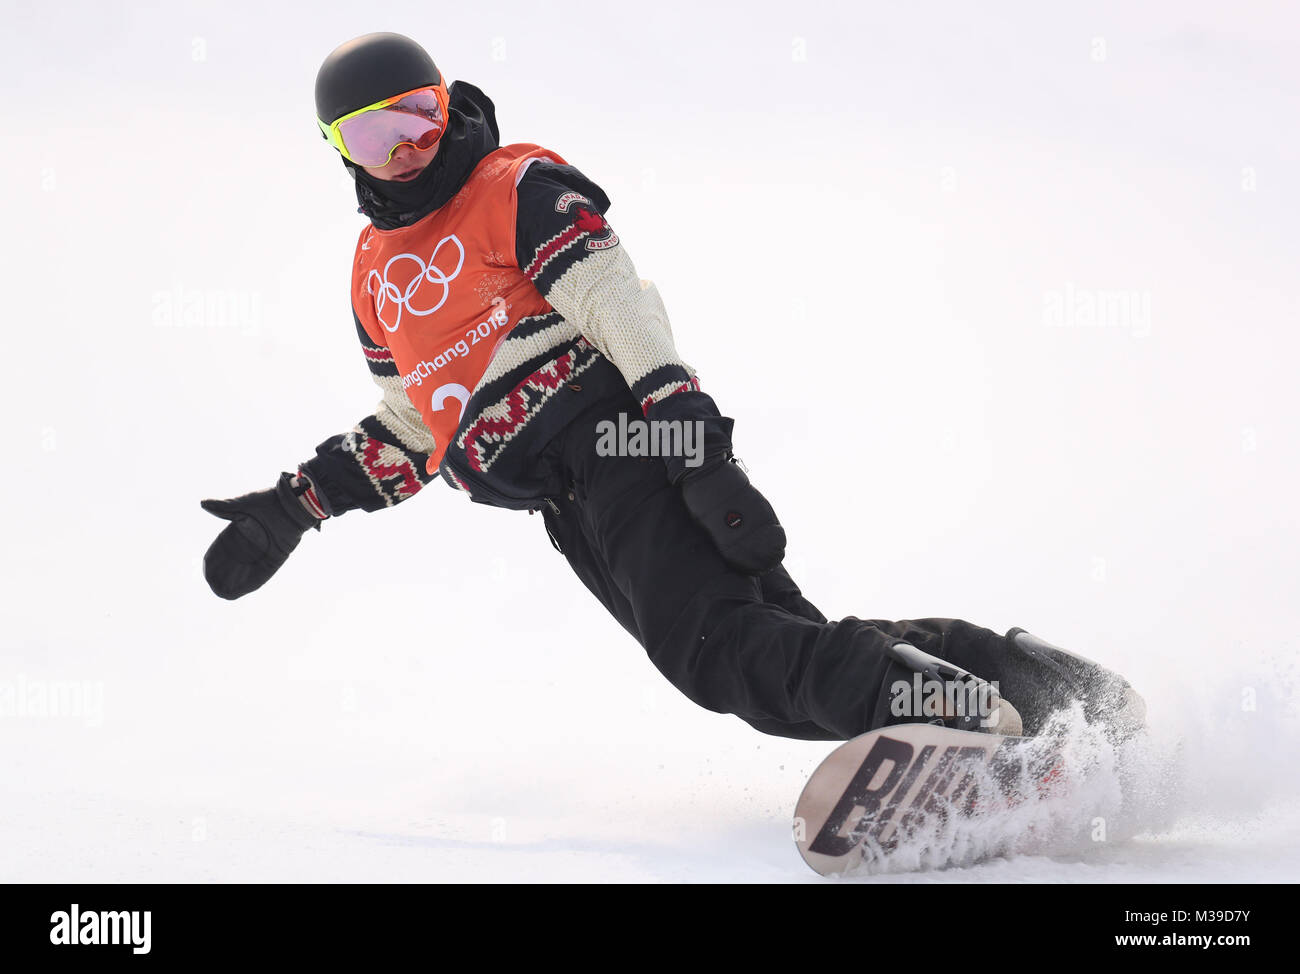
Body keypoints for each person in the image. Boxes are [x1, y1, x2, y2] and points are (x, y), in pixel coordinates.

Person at [201, 32, 1143, 742]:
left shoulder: (513, 185)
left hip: (616, 439)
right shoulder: (372, 273)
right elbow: (413, 424)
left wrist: (693, 447)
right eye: (375, 134)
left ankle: (934, 705)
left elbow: (620, 308)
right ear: (340, 150)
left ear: (448, 106)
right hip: (563, 497)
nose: (406, 148)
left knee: (715, 653)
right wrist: (298, 506)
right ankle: (1030, 688)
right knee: (773, 636)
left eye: (419, 115)